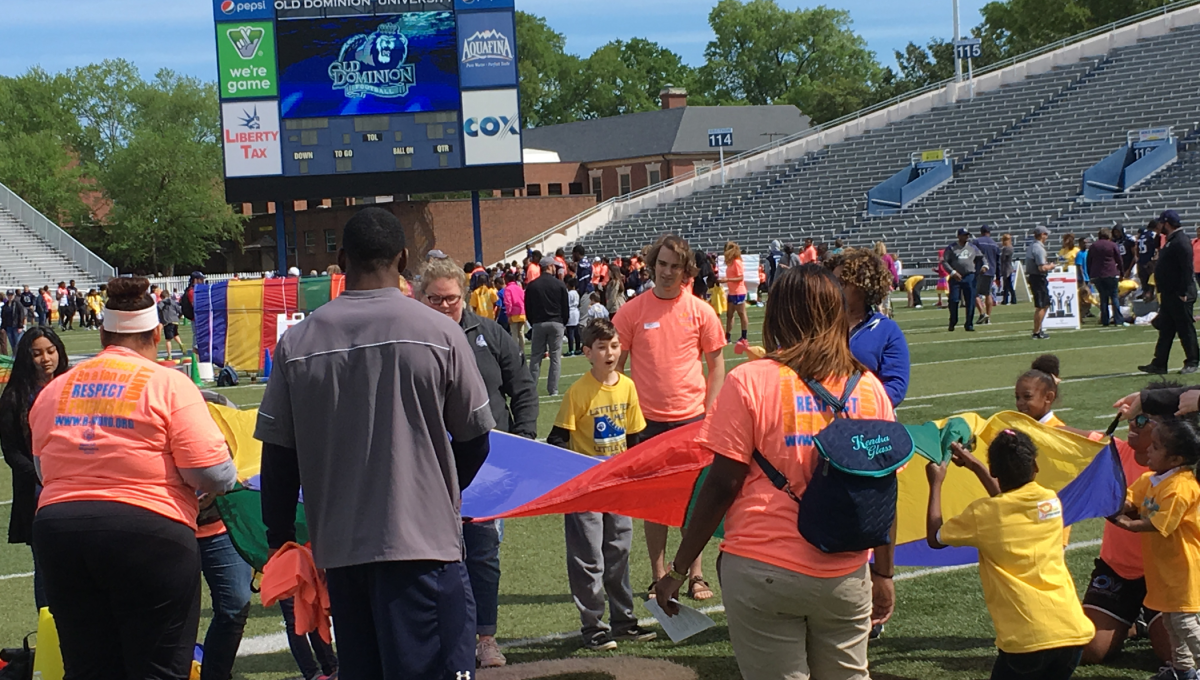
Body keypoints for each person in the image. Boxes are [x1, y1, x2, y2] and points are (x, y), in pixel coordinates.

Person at [255, 208, 495, 680]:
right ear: (404, 259)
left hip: (341, 554)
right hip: (423, 547)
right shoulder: (440, 332)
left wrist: (281, 542)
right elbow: (474, 439)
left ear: (342, 259)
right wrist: (437, 494)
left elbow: (279, 460)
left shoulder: (297, 343)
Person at [653, 264, 896, 679]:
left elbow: (723, 483)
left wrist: (678, 569)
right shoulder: (870, 387)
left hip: (763, 563)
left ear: (779, 314)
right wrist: (884, 573)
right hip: (845, 569)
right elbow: (884, 491)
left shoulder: (750, 380)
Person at [29, 276, 236, 680]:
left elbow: (43, 469)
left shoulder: (56, 389)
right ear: (157, 333)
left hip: (60, 532)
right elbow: (212, 472)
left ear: (103, 334)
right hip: (148, 530)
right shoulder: (169, 384)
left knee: (89, 667)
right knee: (157, 669)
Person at [417, 257, 538, 669]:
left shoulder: (490, 334)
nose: (444, 306)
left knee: (483, 552)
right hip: (430, 467)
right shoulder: (412, 340)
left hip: (489, 466)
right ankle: (443, 639)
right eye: (435, 299)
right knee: (434, 555)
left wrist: (523, 439)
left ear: (465, 297)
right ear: (421, 298)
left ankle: (486, 637)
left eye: (451, 299)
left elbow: (522, 387)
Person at [926, 430, 1095, 680]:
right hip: (1072, 633)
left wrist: (936, 483)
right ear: (1035, 466)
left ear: (994, 471)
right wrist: (976, 467)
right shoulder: (1050, 501)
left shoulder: (982, 514)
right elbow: (1007, 502)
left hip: (1027, 640)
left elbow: (935, 537)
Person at [615, 234, 725, 601]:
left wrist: (710, 414)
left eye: (675, 266)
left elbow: (717, 366)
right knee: (655, 504)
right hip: (646, 424)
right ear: (652, 266)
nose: (666, 272)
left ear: (686, 270)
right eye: (661, 264)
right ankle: (658, 576)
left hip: (692, 420)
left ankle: (695, 574)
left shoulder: (701, 311)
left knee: (696, 503)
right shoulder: (632, 311)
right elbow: (616, 368)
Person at [546, 319, 656, 651]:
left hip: (618, 487)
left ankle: (624, 621)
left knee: (619, 554)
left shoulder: (628, 387)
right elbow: (558, 439)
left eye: (614, 346)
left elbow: (635, 438)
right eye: (602, 347)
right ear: (587, 353)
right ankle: (593, 626)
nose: (610, 353)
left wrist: (637, 477)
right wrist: (574, 478)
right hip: (587, 490)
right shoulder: (578, 392)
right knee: (588, 559)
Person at [1079, 382, 1174, 665]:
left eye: (1143, 419)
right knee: (1089, 650)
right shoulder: (1113, 451)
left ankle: (1143, 619)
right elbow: (1064, 439)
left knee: (1174, 655)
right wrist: (1024, 427)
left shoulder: (1183, 472)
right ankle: (1134, 621)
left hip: (1167, 573)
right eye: (1131, 417)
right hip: (1118, 570)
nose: (1133, 424)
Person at [1109, 417, 1200, 680]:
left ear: (1176, 459)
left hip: (1183, 571)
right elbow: (1129, 499)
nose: (1148, 448)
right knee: (1172, 623)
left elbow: (1159, 524)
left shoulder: (1181, 488)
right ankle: (1183, 671)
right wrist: (1112, 503)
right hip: (1164, 570)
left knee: (1185, 623)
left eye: (1157, 446)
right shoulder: (1151, 479)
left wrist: (1127, 523)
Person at [0, 327, 68, 611]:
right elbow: (12, 452)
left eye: (51, 351)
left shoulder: (72, 387)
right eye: (37, 353)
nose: (46, 359)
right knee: (45, 565)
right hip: (37, 493)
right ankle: (48, 626)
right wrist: (42, 476)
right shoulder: (14, 397)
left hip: (76, 488)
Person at [826, 249, 910, 407]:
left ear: (862, 287)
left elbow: (895, 385)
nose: (833, 288)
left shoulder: (887, 330)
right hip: (818, 415)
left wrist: (858, 406)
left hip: (867, 417)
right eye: (831, 282)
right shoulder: (818, 324)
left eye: (841, 283)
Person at [1140, 211, 1199, 375]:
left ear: (1167, 223)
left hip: (1179, 293)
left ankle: (1192, 361)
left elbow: (1187, 268)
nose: (1159, 226)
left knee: (1185, 329)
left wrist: (1183, 291)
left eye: (1161, 223)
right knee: (1166, 330)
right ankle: (1159, 363)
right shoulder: (1171, 241)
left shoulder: (1180, 241)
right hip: (1169, 293)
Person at [526, 261, 570, 396]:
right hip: (556, 323)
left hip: (539, 323)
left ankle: (531, 389)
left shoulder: (532, 285)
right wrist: (562, 322)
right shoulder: (559, 284)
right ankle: (553, 389)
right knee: (555, 357)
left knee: (535, 357)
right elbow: (565, 307)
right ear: (550, 267)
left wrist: (533, 322)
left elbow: (528, 307)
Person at [943, 228, 983, 332]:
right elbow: (945, 261)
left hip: (969, 275)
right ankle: (953, 320)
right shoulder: (951, 248)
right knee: (954, 300)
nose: (966, 237)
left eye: (967, 235)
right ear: (959, 236)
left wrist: (984, 266)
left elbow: (981, 257)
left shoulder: (972, 247)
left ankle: (969, 324)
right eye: (964, 235)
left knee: (970, 300)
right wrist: (952, 272)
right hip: (955, 277)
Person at [1089, 227, 1126, 327]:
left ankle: (1105, 320)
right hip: (1111, 273)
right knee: (1114, 296)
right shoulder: (1112, 245)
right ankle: (1118, 320)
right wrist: (1122, 273)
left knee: (1103, 297)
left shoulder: (1093, 246)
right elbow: (1119, 260)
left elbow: (1089, 261)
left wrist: (1090, 274)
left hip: (1097, 274)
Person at [1027, 226, 1055, 340]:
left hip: (1035, 278)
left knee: (1044, 304)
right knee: (1041, 305)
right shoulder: (1038, 248)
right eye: (1046, 234)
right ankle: (1037, 331)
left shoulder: (1033, 246)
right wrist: (1051, 266)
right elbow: (1041, 267)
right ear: (1042, 235)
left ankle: (1038, 329)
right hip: (1038, 278)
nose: (1047, 237)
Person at [721, 241, 749, 342]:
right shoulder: (731, 262)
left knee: (741, 313)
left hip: (738, 291)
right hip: (732, 292)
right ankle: (727, 336)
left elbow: (740, 277)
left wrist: (727, 279)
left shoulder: (737, 262)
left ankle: (744, 336)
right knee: (729, 314)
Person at [974, 226, 1001, 324]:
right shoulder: (995, 244)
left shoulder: (977, 242)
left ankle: (982, 313)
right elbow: (998, 262)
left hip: (979, 270)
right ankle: (988, 317)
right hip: (991, 271)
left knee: (974, 293)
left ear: (981, 232)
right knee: (988, 293)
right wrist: (998, 276)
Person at [502, 271, 527, 355]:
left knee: (514, 334)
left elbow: (508, 303)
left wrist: (509, 314)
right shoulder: (519, 287)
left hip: (513, 314)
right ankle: (522, 350)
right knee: (521, 333)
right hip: (522, 312)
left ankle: (515, 351)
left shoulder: (508, 289)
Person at [1138, 220, 1162, 300]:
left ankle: (1146, 294)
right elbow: (1157, 247)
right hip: (1150, 260)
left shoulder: (1142, 234)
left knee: (1144, 281)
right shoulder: (1153, 234)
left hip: (1141, 260)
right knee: (1152, 280)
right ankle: (1151, 295)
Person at [158, 292, 185, 360]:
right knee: (175, 334)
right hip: (175, 321)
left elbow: (158, 308)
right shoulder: (173, 302)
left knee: (168, 339)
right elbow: (180, 311)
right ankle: (181, 344)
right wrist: (178, 317)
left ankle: (169, 355)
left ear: (162, 297)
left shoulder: (162, 302)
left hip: (168, 322)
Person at [565, 275, 582, 357]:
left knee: (570, 332)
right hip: (576, 311)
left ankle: (571, 349)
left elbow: (567, 303)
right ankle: (578, 348)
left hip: (570, 312)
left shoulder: (569, 293)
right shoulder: (576, 293)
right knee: (576, 331)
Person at [1000, 233, 1018, 304]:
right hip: (1007, 267)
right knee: (1007, 284)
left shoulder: (1007, 248)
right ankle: (1009, 299)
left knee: (1007, 284)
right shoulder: (1009, 248)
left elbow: (1003, 258)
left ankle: (1009, 299)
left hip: (1006, 268)